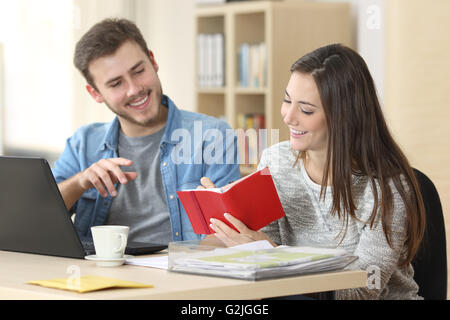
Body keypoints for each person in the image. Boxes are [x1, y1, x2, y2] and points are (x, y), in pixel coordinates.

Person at [202, 44, 426, 300]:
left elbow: (363, 288)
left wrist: (271, 256)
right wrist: (235, 227)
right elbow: (264, 253)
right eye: (287, 100)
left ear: (344, 117)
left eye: (306, 110)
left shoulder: (386, 188)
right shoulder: (275, 161)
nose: (288, 117)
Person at [53, 18, 241, 244]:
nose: (134, 89)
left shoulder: (212, 136)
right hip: (97, 274)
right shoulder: (82, 143)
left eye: (139, 71)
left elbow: (228, 237)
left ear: (152, 61)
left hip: (180, 273)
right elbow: (40, 217)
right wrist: (80, 182)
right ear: (95, 94)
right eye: (116, 84)